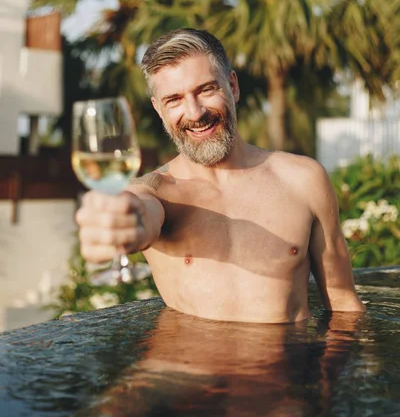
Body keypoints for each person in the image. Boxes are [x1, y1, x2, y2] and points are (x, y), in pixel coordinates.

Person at [76, 28, 365, 323]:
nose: (195, 112)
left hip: (290, 368)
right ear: (159, 110)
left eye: (206, 90)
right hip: (191, 367)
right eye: (174, 99)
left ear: (233, 86)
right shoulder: (157, 192)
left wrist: (333, 370)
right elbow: (139, 213)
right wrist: (120, 224)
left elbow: (342, 303)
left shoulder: (304, 179)